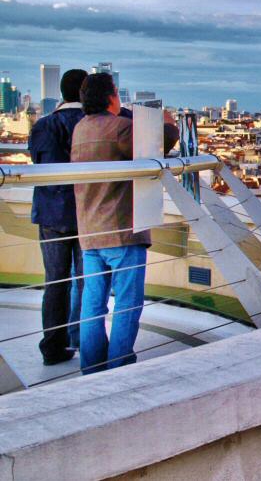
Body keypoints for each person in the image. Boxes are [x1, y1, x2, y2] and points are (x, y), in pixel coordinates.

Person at [71, 73, 179, 374]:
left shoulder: (80, 129)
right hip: (122, 230)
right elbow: (159, 143)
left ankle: (91, 369)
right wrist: (168, 122)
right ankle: (119, 367)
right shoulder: (119, 128)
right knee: (127, 305)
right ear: (111, 96)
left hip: (90, 231)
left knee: (92, 306)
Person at [28, 69, 88, 365]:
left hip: (51, 213)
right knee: (87, 281)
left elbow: (38, 162)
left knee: (55, 282)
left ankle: (53, 347)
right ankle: (83, 340)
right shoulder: (92, 124)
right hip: (87, 212)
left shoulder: (43, 125)